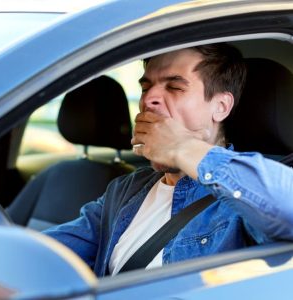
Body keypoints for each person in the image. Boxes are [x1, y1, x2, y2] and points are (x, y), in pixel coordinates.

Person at [44, 43, 293, 277]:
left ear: (221, 106)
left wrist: (182, 147)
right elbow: (47, 254)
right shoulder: (126, 190)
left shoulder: (242, 198)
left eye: (174, 87)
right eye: (145, 87)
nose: (149, 98)